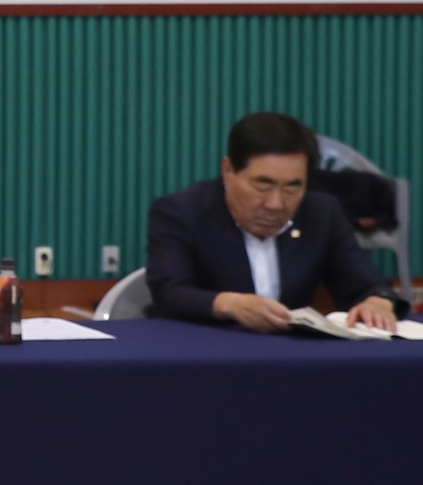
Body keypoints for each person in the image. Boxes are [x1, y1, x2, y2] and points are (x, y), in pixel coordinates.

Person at [145, 111, 395, 331]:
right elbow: (169, 292)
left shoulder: (322, 213)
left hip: (289, 355)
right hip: (203, 349)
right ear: (228, 170)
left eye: (292, 187)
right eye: (263, 185)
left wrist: (377, 302)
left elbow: (365, 283)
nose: (276, 204)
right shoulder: (182, 212)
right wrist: (229, 304)